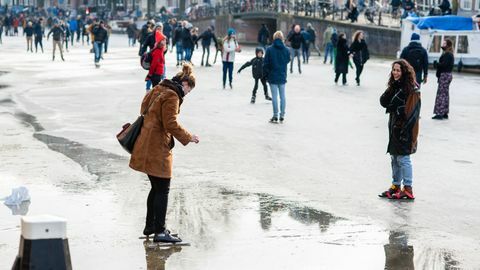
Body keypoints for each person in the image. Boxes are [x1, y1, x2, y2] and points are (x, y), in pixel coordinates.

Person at [129, 64, 199, 243]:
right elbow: (170, 123)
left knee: (156, 187)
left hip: (145, 142)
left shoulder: (159, 87)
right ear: (184, 83)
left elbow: (143, 108)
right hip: (157, 146)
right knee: (163, 188)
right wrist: (188, 137)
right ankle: (160, 231)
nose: (186, 94)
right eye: (188, 90)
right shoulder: (173, 95)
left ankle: (150, 226)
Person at [379, 59, 421, 200]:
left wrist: (404, 129)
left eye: (398, 70)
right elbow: (383, 102)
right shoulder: (396, 86)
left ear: (404, 72)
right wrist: (391, 87)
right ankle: (395, 186)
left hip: (405, 128)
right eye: (394, 70)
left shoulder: (411, 89)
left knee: (403, 158)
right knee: (394, 158)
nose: (395, 73)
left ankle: (408, 188)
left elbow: (413, 113)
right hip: (394, 126)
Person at [263, 31, 290, 123]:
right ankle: (282, 115)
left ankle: (275, 115)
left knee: (274, 97)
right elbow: (288, 60)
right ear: (282, 38)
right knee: (283, 96)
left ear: (274, 38)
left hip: (272, 76)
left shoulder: (269, 49)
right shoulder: (286, 50)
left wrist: (266, 74)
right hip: (282, 75)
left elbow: (265, 64)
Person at [432, 39, 454, 120]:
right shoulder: (448, 54)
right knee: (445, 94)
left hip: (445, 75)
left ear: (448, 45)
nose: (442, 44)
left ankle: (440, 113)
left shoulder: (448, 54)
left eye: (444, 43)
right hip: (446, 75)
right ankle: (444, 112)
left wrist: (436, 64)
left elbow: (444, 65)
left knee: (441, 94)